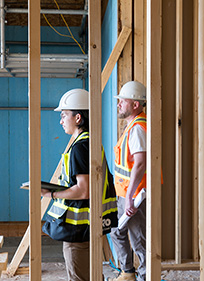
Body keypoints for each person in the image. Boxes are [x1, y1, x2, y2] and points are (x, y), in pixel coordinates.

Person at [41, 88, 118, 281]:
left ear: (77, 118)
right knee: (90, 274)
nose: (61, 120)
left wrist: (51, 195)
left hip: (78, 229)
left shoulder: (80, 147)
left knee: (80, 277)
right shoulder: (89, 142)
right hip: (87, 227)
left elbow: (84, 190)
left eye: (64, 115)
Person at [109, 81, 148, 281]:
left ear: (135, 104)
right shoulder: (132, 126)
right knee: (117, 231)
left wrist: (131, 196)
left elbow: (140, 164)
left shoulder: (138, 128)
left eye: (122, 101)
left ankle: (143, 276)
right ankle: (128, 273)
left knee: (139, 240)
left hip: (136, 195)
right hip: (126, 193)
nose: (119, 104)